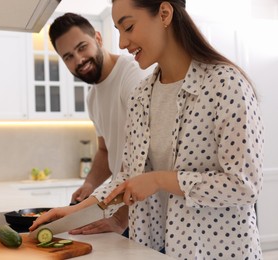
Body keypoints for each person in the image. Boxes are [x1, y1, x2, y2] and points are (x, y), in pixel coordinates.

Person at [31, 0, 264, 258]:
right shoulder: (142, 96)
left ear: (164, 14)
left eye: (128, 27)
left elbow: (244, 185)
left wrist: (158, 180)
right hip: (159, 247)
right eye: (118, 31)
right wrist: (75, 212)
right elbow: (128, 176)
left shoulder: (226, 84)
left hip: (218, 251)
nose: (121, 42)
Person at [48, 13, 149, 234]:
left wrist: (122, 218)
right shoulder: (92, 98)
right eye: (68, 57)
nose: (79, 60)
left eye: (82, 47)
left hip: (143, 215)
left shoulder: (132, 77)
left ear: (99, 39)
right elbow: (104, 150)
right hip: (123, 210)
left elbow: (147, 156)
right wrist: (90, 185)